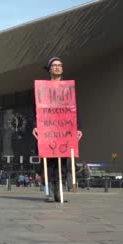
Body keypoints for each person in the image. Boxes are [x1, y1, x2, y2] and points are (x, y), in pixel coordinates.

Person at [33, 57, 83, 202]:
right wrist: (35, 126)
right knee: (48, 163)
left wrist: (78, 128)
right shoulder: (42, 88)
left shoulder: (68, 89)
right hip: (48, 130)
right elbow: (36, 108)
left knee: (62, 163)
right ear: (49, 69)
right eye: (54, 65)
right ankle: (49, 192)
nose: (57, 67)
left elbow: (74, 110)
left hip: (63, 131)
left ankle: (59, 192)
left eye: (59, 65)